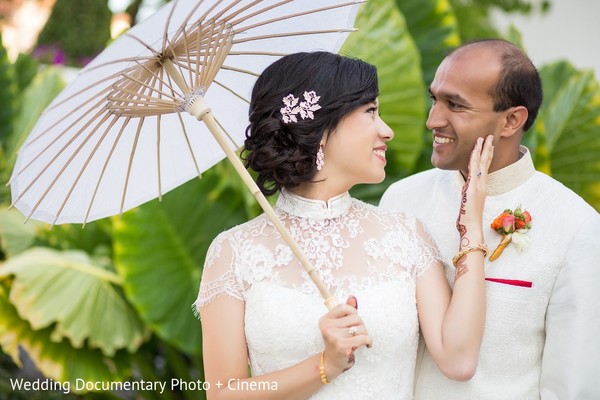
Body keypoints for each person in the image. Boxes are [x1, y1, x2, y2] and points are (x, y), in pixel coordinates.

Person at [194, 51, 493, 400]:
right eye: (371, 112)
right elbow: (223, 394)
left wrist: (471, 223)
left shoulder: (406, 236)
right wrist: (324, 365)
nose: (387, 131)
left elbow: (458, 360)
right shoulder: (233, 252)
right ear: (321, 128)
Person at [380, 38, 600, 399]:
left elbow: (571, 386)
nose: (432, 119)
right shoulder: (402, 200)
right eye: (434, 98)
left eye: (455, 105)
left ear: (511, 120)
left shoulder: (576, 227)